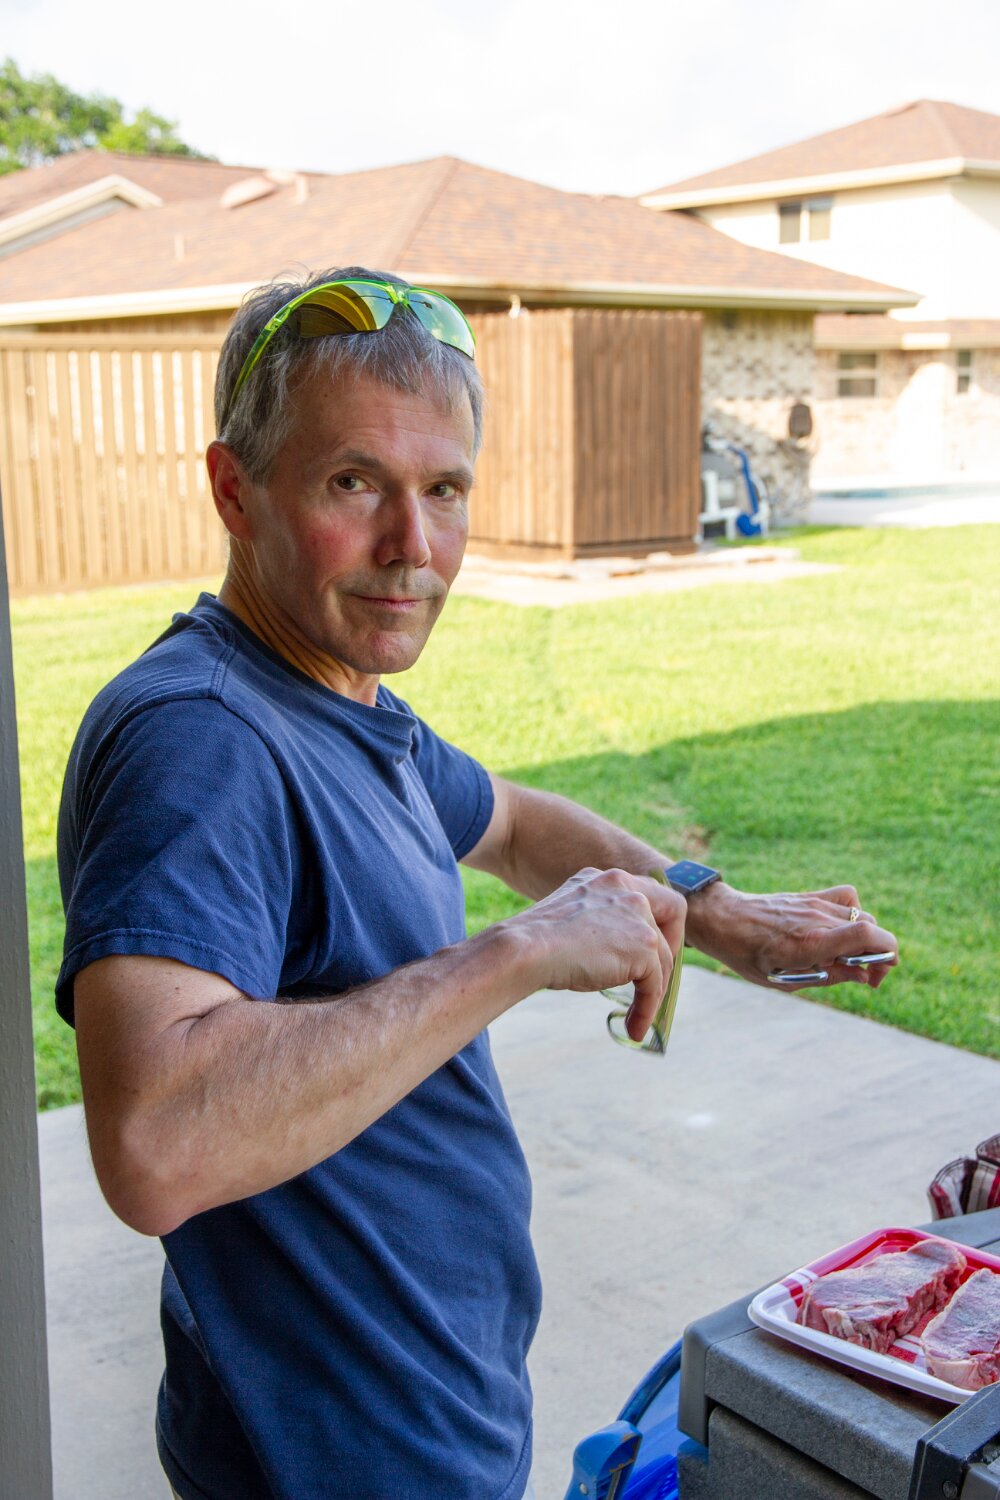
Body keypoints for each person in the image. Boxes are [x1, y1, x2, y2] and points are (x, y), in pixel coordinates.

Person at [56, 266, 898, 1500]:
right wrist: (516, 953)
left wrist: (716, 914)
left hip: (419, 1409)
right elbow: (156, 1144)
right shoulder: (204, 737)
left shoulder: (338, 700)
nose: (414, 548)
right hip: (336, 1456)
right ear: (235, 491)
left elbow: (508, 821)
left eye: (443, 489)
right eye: (354, 484)